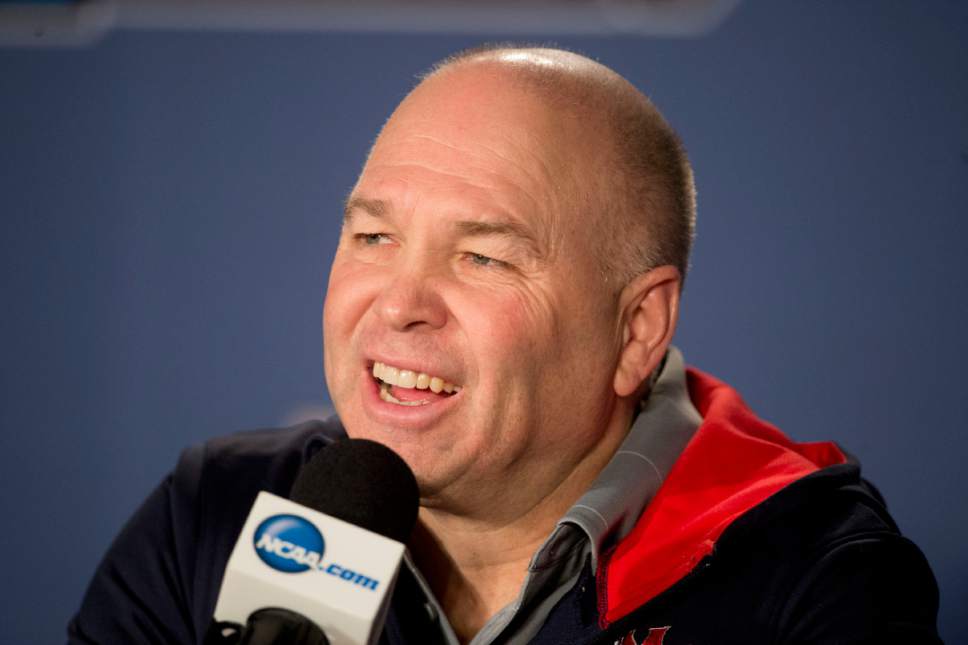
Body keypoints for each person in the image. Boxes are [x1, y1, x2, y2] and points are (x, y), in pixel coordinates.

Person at [69, 46, 941, 644]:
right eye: (373, 239)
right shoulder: (217, 518)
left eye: (482, 257)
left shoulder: (809, 573)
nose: (399, 305)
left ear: (636, 329)